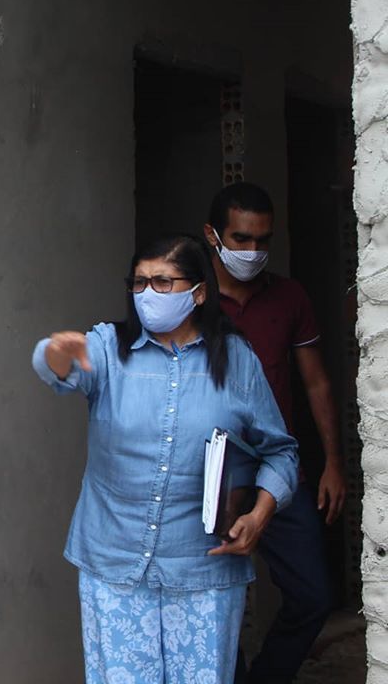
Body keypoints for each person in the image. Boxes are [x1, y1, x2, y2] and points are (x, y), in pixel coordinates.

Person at [33, 234, 298, 684]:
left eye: (162, 282)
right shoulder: (108, 347)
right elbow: (59, 369)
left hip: (204, 569)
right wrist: (54, 353)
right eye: (139, 283)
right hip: (114, 565)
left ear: (198, 292)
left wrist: (259, 516)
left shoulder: (236, 360)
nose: (147, 294)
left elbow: (281, 452)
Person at [204, 183, 344, 683]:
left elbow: (316, 382)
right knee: (214, 602)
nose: (252, 251)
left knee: (313, 596)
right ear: (212, 236)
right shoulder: (191, 299)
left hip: (278, 467)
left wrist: (333, 462)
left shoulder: (289, 297)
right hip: (210, 473)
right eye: (240, 239)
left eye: (262, 240)